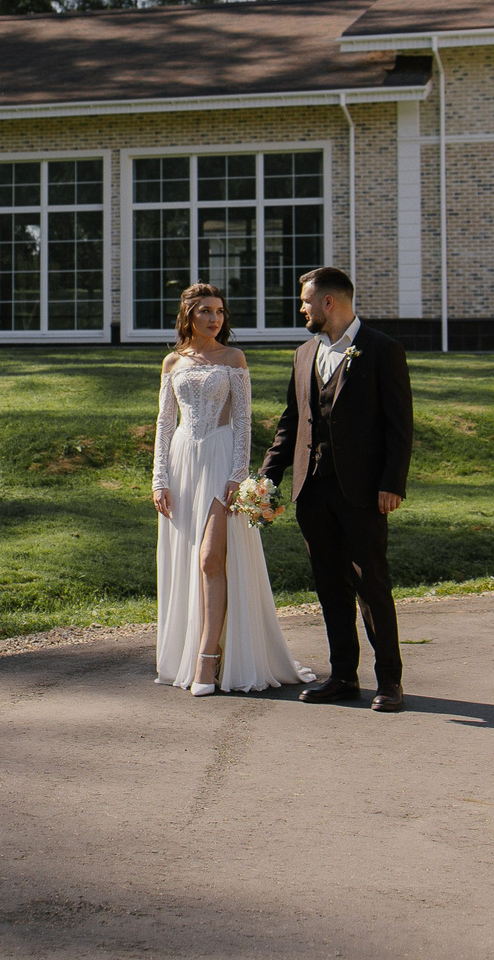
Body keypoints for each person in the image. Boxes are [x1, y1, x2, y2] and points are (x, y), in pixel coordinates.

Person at [260, 265, 414, 711]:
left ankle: (389, 682)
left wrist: (392, 483)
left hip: (364, 491)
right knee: (329, 586)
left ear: (330, 302)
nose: (302, 308)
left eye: (306, 300)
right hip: (312, 489)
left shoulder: (382, 349)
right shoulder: (305, 353)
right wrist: (268, 478)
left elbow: (399, 425)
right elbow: (292, 422)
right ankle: (343, 676)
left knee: (371, 585)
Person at [150, 283, 311, 695]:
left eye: (219, 311)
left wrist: (238, 475)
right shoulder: (173, 362)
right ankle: (189, 653)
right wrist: (159, 478)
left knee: (209, 560)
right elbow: (165, 423)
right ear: (188, 315)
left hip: (222, 461)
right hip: (183, 462)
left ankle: (208, 660)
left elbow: (243, 419)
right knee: (190, 561)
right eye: (205, 311)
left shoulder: (234, 358)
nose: (214, 318)